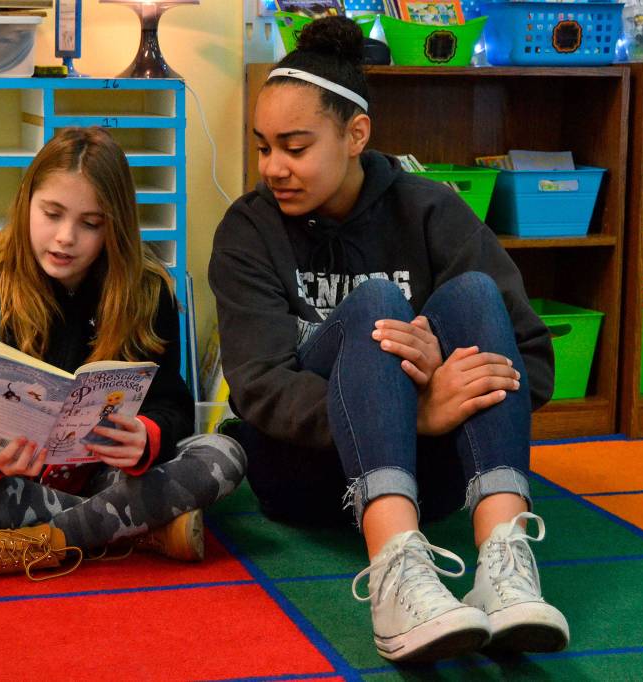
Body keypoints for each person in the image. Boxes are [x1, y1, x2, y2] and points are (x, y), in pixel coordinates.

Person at [209, 16, 568, 663]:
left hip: (429, 480)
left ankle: (503, 561)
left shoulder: (430, 207)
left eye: (294, 146)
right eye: (263, 147)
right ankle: (394, 570)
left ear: (356, 134)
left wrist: (434, 391)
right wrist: (420, 407)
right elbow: (260, 389)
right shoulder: (247, 229)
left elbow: (532, 361)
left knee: (476, 297)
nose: (273, 168)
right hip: (302, 475)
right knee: (378, 304)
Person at [0, 127, 246, 586]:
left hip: (108, 477)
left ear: (116, 226)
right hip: (13, 484)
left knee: (224, 452)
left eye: (91, 223)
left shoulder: (147, 294)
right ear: (26, 202)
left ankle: (17, 548)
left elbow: (173, 404)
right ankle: (140, 530)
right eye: (51, 214)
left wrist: (146, 437)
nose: (65, 238)